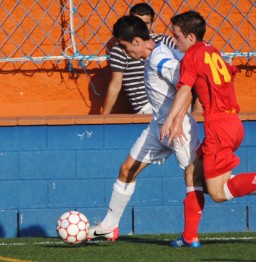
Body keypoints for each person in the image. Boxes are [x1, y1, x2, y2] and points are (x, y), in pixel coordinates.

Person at [160, 11, 256, 247]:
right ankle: (189, 236)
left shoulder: (191, 56)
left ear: (190, 36)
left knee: (217, 193)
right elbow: (224, 74)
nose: (174, 41)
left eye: (176, 36)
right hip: (232, 123)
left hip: (218, 127)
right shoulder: (211, 51)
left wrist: (170, 118)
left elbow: (185, 88)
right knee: (192, 173)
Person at [87, 15, 205, 247]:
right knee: (126, 169)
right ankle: (109, 227)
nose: (123, 51)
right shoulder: (158, 54)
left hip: (177, 129)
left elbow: (187, 81)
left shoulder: (160, 58)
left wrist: (178, 117)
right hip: (158, 128)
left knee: (209, 185)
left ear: (138, 41)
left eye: (124, 46)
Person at [101, 3, 175, 115]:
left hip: (171, 104)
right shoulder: (122, 48)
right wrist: (104, 117)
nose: (142, 27)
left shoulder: (163, 42)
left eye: (146, 23)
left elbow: (197, 56)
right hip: (147, 108)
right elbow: (115, 85)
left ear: (152, 23)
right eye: (137, 22)